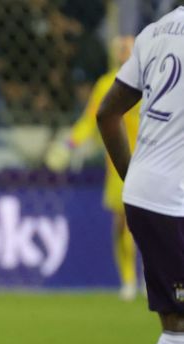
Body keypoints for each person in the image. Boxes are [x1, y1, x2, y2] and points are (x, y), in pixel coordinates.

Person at [96, 3, 184, 344]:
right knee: (181, 339)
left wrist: (135, 181)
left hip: (151, 195)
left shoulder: (156, 31)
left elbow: (107, 112)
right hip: (174, 204)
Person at [60, 35, 142, 301]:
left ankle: (157, 276)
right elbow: (90, 119)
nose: (123, 50)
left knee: (151, 224)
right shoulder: (107, 84)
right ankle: (129, 281)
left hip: (151, 161)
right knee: (123, 223)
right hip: (119, 164)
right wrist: (70, 142)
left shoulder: (153, 79)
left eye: (128, 46)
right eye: (119, 46)